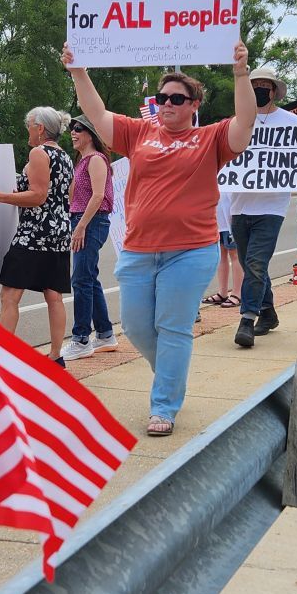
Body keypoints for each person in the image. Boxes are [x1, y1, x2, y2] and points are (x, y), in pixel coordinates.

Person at [61, 40, 256, 437]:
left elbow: (245, 123)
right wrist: (78, 71)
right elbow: (97, 114)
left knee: (172, 326)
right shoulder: (139, 133)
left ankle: (164, 404)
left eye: (177, 98)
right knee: (134, 327)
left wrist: (240, 74)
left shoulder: (211, 139)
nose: (167, 103)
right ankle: (170, 372)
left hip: (190, 251)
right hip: (138, 250)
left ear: (193, 105)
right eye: (162, 97)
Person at [0, 107, 73, 366]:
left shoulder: (39, 153)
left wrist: (0, 197)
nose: (28, 131)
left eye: (30, 126)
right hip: (58, 232)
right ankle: (57, 356)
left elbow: (38, 195)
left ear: (40, 128)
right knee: (54, 296)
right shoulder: (65, 156)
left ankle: (2, 357)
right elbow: (60, 194)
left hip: (35, 234)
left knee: (9, 295)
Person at [229, 67, 297, 347]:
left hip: (271, 207)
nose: (259, 89)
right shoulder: (238, 121)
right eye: (254, 84)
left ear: (274, 91)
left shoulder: (291, 121)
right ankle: (268, 313)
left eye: (264, 85)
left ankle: (246, 319)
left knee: (257, 264)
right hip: (240, 206)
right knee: (251, 266)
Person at [60, 114, 118, 361]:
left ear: (91, 134)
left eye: (79, 129)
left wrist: (81, 226)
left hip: (91, 221)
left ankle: (81, 339)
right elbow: (73, 196)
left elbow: (97, 197)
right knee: (89, 279)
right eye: (72, 129)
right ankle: (105, 334)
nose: (73, 132)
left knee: (81, 280)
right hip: (84, 219)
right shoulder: (82, 161)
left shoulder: (96, 159)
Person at [201, 194, 244, 309]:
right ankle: (222, 292)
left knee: (234, 254)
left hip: (230, 219)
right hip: (216, 219)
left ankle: (237, 293)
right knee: (221, 254)